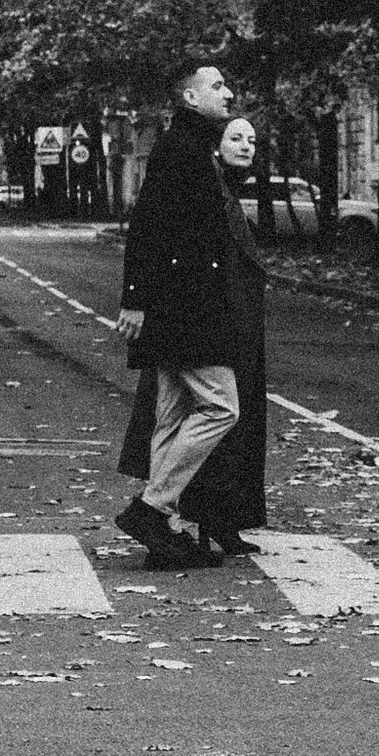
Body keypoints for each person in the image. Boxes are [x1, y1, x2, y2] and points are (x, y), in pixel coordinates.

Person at [118, 109, 267, 553]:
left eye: (252, 141)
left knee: (171, 417)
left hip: (184, 317)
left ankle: (165, 525)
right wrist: (136, 298)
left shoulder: (211, 180)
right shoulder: (194, 169)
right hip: (195, 319)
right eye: (236, 137)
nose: (245, 146)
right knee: (222, 410)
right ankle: (154, 507)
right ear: (216, 145)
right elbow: (151, 229)